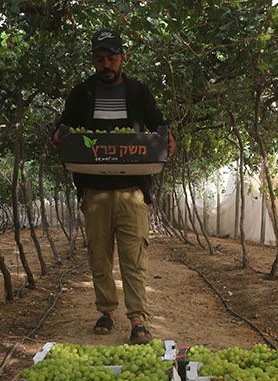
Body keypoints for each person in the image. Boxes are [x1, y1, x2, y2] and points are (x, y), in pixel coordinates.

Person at [54, 28, 176, 344]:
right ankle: (106, 311)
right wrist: (59, 134)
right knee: (99, 256)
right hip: (94, 192)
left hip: (132, 191)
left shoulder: (139, 93)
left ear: (123, 57)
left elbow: (159, 125)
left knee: (134, 256)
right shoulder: (82, 94)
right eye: (100, 59)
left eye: (112, 57)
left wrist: (168, 138)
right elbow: (64, 126)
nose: (106, 64)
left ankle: (138, 320)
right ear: (94, 61)